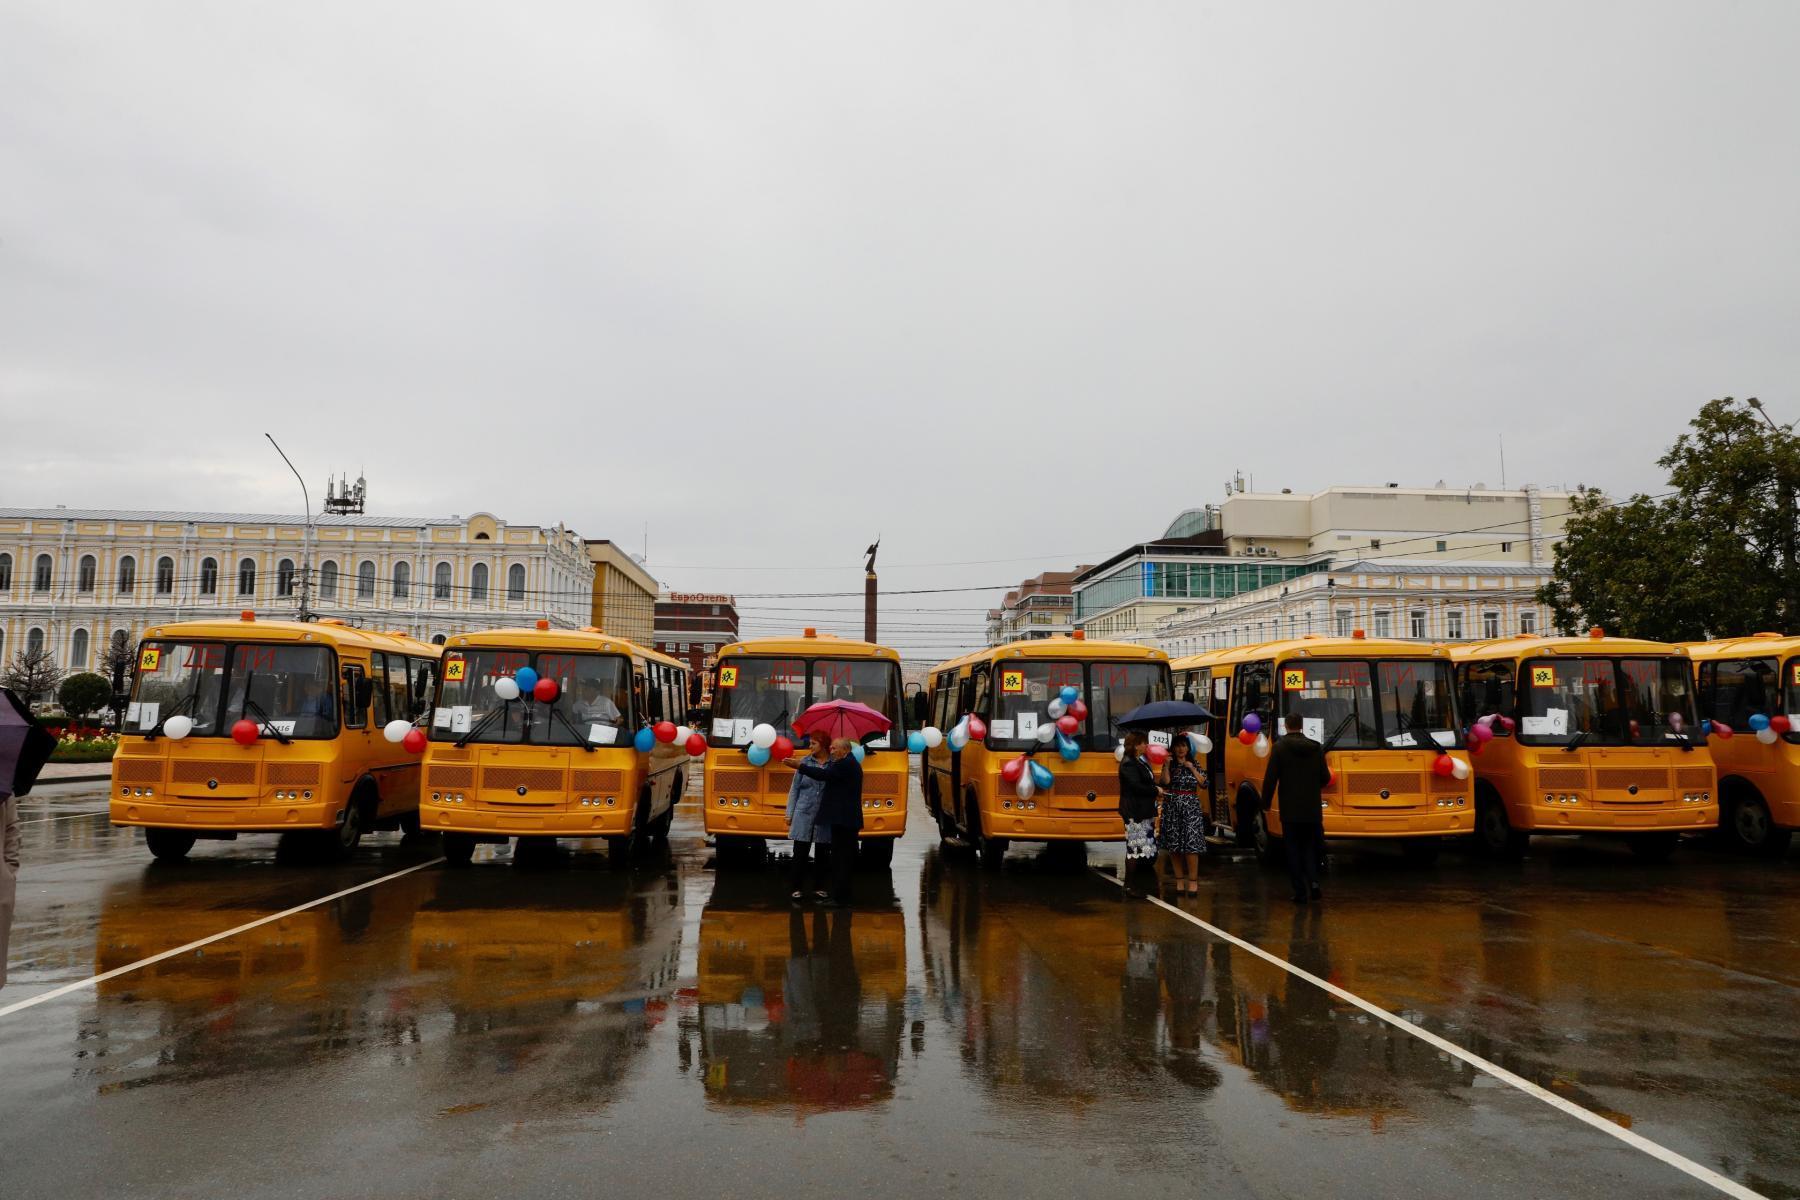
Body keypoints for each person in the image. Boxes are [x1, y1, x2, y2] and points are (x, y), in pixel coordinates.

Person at [783, 737, 863, 907]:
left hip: (844, 820)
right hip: (839, 819)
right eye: (831, 748)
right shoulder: (845, 763)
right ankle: (840, 896)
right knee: (838, 859)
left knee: (841, 860)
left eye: (834, 749)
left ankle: (840, 899)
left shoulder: (845, 764)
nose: (831, 751)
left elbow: (823, 775)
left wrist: (800, 766)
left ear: (844, 750)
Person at [1262, 710, 1330, 903]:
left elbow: (1270, 779)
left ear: (1286, 726)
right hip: (1312, 809)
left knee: (1292, 849)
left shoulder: (1279, 748)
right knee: (1310, 847)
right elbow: (1325, 778)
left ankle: (1300, 892)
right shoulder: (1316, 748)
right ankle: (1314, 883)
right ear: (1302, 726)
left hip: (1290, 809)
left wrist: (1265, 803)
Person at [1157, 733, 1207, 894]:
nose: (1180, 749)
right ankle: (1179, 881)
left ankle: (1193, 882)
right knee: (1174, 845)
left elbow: (1204, 783)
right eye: (1177, 746)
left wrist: (1192, 768)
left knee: (1191, 845)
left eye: (1184, 746)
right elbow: (1165, 782)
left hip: (1191, 807)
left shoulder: (1194, 763)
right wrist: (1165, 765)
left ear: (1188, 748)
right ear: (1173, 748)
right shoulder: (1170, 765)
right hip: (1173, 807)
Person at [785, 735, 833, 903]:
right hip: (803, 813)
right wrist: (789, 813)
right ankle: (796, 889)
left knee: (823, 853)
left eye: (814, 743)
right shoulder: (804, 762)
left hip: (824, 815)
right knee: (800, 852)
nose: (810, 746)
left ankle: (820, 888)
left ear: (824, 744)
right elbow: (795, 789)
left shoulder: (834, 764)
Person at [1117, 731, 1161, 899]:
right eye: (1143, 743)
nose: (1146, 745)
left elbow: (1145, 782)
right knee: (1134, 848)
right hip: (1134, 812)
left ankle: (1131, 885)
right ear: (1135, 745)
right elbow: (1136, 787)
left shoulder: (1138, 762)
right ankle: (1128, 886)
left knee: (1139, 847)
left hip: (1142, 811)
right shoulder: (1129, 763)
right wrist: (1155, 790)